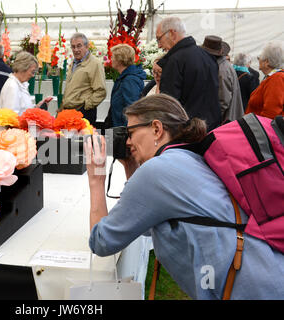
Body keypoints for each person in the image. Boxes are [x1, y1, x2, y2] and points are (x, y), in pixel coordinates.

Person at [85, 94, 284, 299]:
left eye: (131, 132)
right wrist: (132, 167)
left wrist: (96, 179)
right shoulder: (190, 158)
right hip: (267, 276)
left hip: (251, 290)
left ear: (156, 129)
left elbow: (102, 241)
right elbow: (141, 224)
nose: (127, 142)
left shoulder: (158, 170)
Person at [154, 17, 221, 131]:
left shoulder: (175, 61)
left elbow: (169, 105)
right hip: (210, 128)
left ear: (171, 33)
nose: (159, 45)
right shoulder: (207, 56)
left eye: (159, 39)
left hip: (187, 132)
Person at [61, 33, 106, 126]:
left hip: (83, 113)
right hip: (70, 112)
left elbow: (101, 91)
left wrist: (86, 106)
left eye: (79, 46)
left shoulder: (94, 64)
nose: (76, 50)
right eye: (73, 47)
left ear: (87, 46)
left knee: (82, 140)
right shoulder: (74, 63)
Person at [201, 36, 243, 122]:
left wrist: (212, 119)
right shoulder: (223, 65)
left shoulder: (222, 70)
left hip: (226, 120)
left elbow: (223, 101)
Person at [105, 44, 146, 128]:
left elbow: (132, 107)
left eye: (113, 57)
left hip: (122, 130)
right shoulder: (125, 77)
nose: (111, 59)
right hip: (118, 126)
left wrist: (128, 131)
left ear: (120, 59)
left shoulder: (129, 80)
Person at [245, 41, 284, 119]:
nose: (258, 60)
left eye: (259, 57)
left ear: (267, 62)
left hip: (261, 129)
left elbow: (270, 114)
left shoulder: (276, 79)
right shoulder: (274, 77)